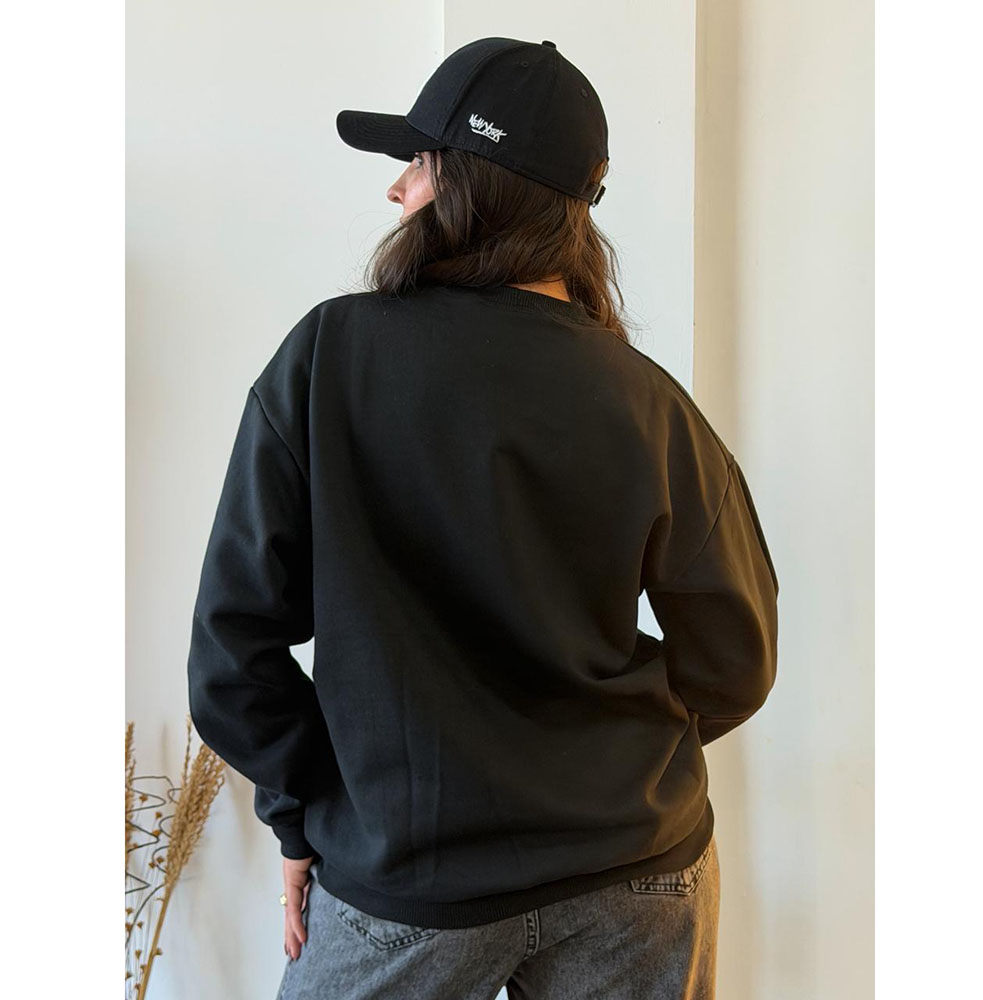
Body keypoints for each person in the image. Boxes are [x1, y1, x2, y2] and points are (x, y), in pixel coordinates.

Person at [187, 35, 779, 1000]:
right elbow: (736, 659)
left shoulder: (330, 360)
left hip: (405, 878)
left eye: (418, 163)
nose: (397, 190)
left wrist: (307, 815)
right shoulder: (645, 399)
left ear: (471, 184)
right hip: (635, 871)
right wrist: (602, 772)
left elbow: (231, 651)